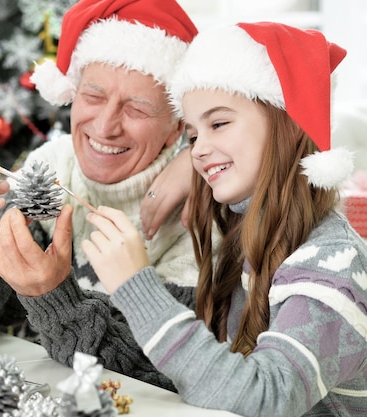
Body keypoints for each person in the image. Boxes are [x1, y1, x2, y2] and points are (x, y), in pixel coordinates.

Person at [82, 22, 367, 416]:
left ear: (287, 124)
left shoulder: (332, 264)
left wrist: (135, 287)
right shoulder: (242, 235)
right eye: (194, 135)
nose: (198, 151)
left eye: (218, 123)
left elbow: (265, 399)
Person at [0, 0, 202, 390]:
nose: (104, 126)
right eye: (94, 97)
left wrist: (53, 296)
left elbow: (163, 373)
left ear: (176, 128)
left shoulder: (202, 208)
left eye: (136, 109)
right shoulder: (51, 167)